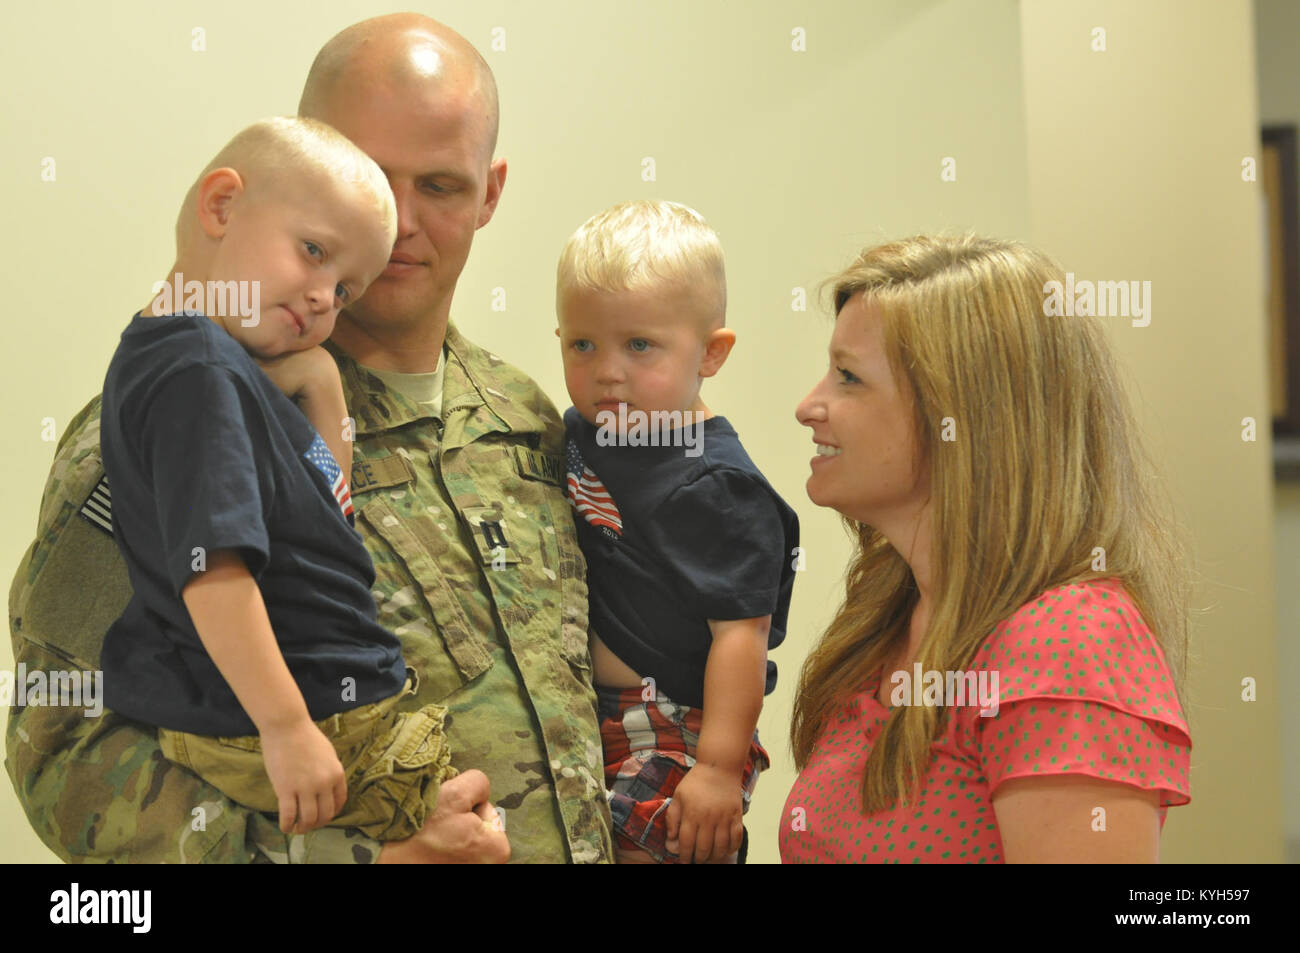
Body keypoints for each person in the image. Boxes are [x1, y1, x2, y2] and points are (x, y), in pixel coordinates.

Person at [6, 14, 614, 864]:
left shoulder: (528, 417)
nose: (399, 221)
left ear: (490, 192)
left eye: (439, 185)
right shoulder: (171, 414)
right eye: (369, 172)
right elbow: (58, 742)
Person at [100, 115, 464, 841]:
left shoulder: (221, 366)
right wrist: (286, 723)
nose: (327, 297)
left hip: (319, 707)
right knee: (458, 819)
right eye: (313, 251)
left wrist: (321, 387)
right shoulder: (196, 373)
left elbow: (333, 512)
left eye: (347, 290)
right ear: (221, 206)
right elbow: (213, 570)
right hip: (293, 716)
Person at [780, 234, 1192, 863]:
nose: (810, 406)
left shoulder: (1070, 641)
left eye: (849, 378)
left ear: (962, 418)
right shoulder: (887, 615)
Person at [556, 200, 799, 863]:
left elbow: (740, 636)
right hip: (586, 710)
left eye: (640, 344)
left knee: (650, 846)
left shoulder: (718, 486)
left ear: (712, 353)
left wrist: (718, 768)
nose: (608, 369)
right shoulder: (580, 432)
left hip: (682, 723)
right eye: (583, 343)